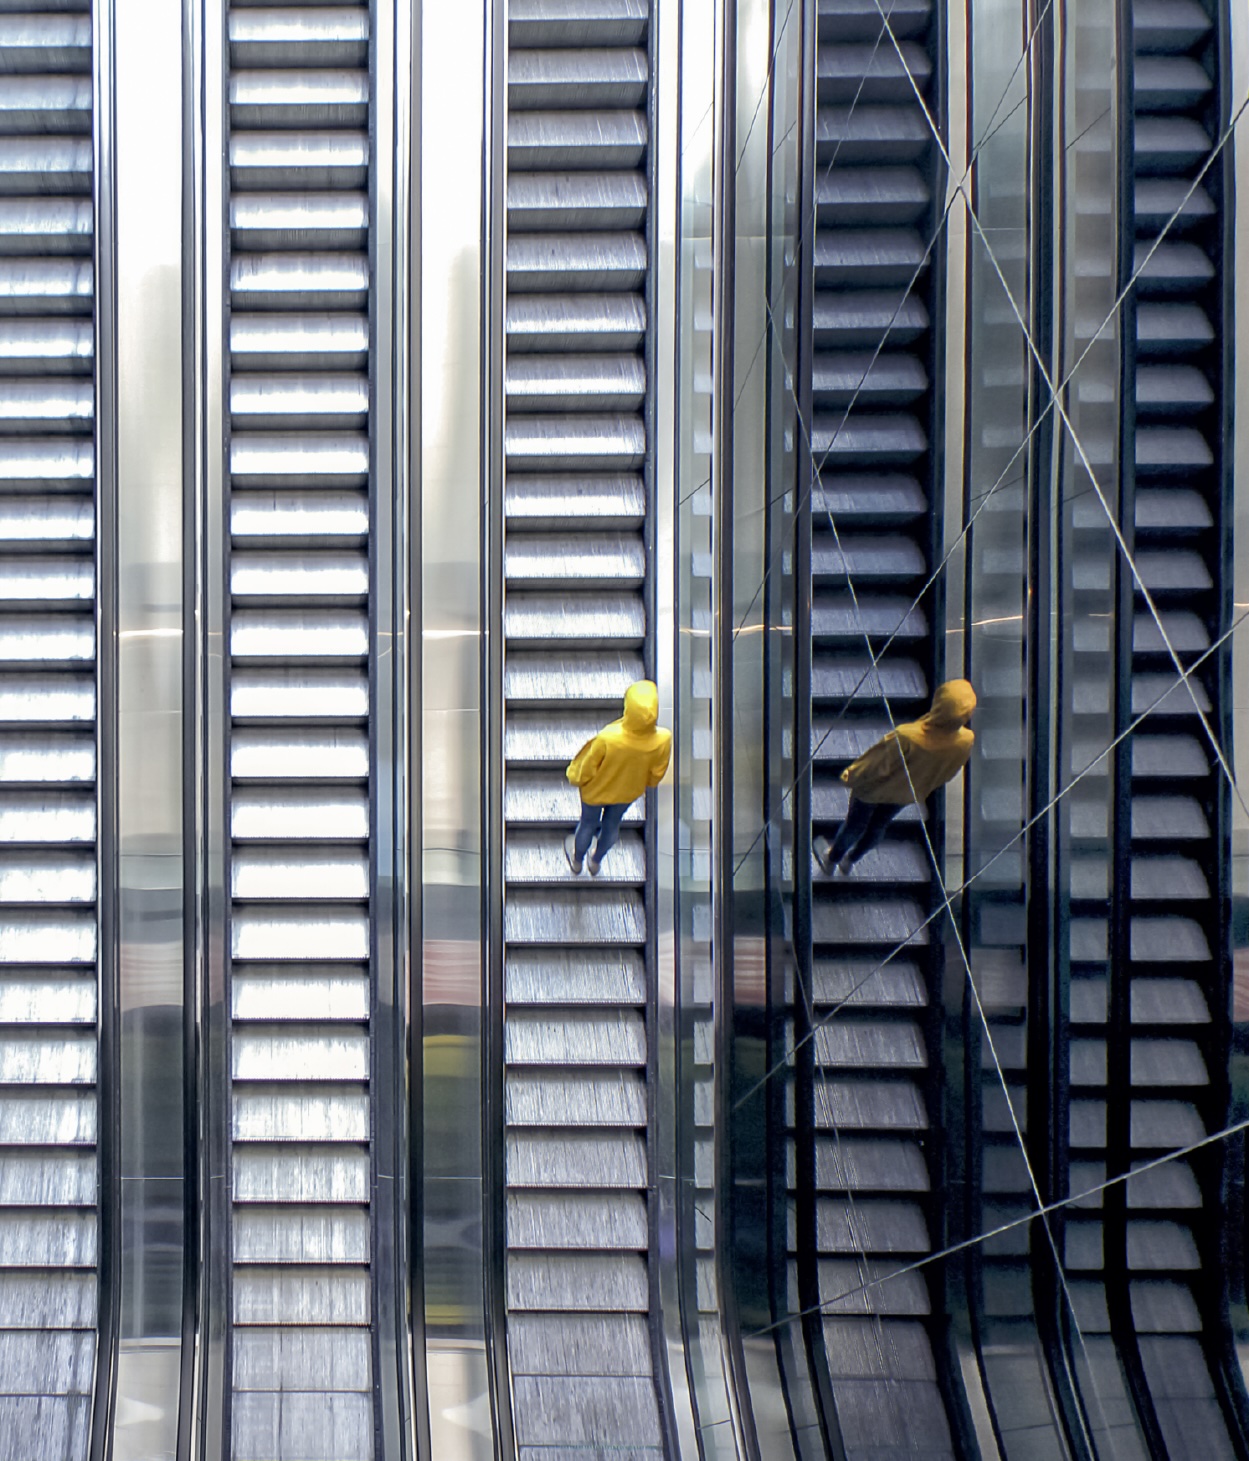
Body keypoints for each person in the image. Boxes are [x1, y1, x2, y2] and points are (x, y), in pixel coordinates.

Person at [814, 678, 976, 877]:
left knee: (854, 826)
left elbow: (876, 764)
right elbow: (950, 770)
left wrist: (852, 775)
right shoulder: (966, 739)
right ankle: (851, 860)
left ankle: (832, 859)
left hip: (872, 790)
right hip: (905, 794)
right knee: (878, 826)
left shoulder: (908, 736)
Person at [565, 679, 672, 876]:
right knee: (612, 826)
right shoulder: (663, 739)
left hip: (596, 792)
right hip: (627, 793)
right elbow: (656, 774)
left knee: (588, 824)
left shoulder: (609, 737)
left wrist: (575, 777)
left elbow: (588, 767)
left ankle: (577, 861)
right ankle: (596, 861)